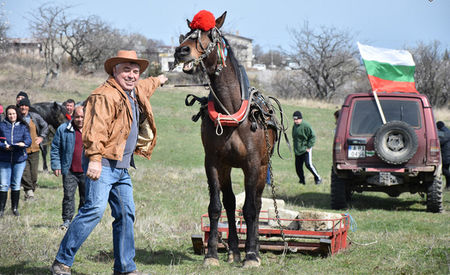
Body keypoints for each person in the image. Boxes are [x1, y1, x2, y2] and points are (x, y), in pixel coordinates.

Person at [51, 50, 168, 275]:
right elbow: (95, 129)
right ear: (114, 71)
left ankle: (125, 268)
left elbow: (146, 86)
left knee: (126, 213)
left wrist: (160, 80)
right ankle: (61, 262)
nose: (132, 75)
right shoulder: (104, 95)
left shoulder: (133, 91)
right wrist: (94, 159)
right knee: (94, 209)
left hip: (122, 168)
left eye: (136, 71)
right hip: (102, 164)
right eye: (126, 70)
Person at [50, 106, 86, 230]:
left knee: (85, 198)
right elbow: (55, 148)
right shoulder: (63, 129)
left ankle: (81, 222)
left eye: (82, 117)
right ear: (72, 116)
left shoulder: (92, 130)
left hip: (87, 171)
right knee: (68, 196)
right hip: (69, 170)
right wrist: (56, 165)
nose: (80, 119)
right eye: (77, 117)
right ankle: (67, 221)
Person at [0, 105, 32, 217]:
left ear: (17, 114)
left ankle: (14, 208)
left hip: (19, 159)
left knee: (16, 184)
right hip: (4, 159)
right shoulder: (2, 126)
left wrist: (24, 144)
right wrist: (4, 146)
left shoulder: (23, 126)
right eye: (9, 114)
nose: (12, 116)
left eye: (13, 113)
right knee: (3, 184)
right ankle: (1, 209)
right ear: (6, 115)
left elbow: (29, 140)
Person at [18, 98, 49, 200]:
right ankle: (29, 193)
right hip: (21, 151)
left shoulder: (34, 116)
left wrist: (41, 137)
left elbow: (45, 126)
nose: (23, 107)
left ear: (28, 107)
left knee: (34, 174)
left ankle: (30, 192)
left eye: (25, 105)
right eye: (21, 106)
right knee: (25, 172)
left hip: (35, 149)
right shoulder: (16, 117)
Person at [292, 110, 322, 185]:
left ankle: (318, 178)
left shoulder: (306, 126)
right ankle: (302, 181)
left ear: (301, 118)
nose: (295, 121)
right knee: (298, 167)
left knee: (308, 165)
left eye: (297, 119)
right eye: (294, 119)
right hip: (297, 150)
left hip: (306, 149)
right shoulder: (294, 126)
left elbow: (312, 136)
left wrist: (308, 147)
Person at [437, 121, 450, 189]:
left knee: (444, 170)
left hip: (446, 154)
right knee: (446, 169)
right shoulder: (447, 130)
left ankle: (448, 185)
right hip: (447, 154)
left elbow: (440, 141)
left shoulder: (444, 133)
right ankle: (448, 186)